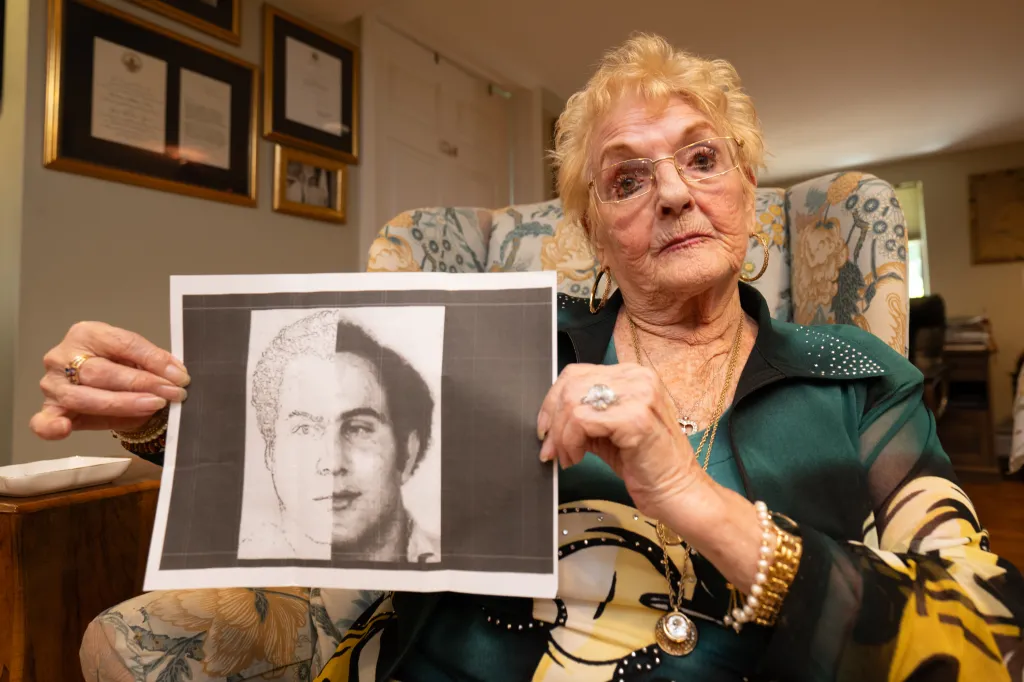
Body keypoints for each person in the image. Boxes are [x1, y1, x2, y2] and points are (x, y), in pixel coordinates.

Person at [32, 33, 1024, 682]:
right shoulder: (510, 346)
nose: (672, 193)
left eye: (701, 157)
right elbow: (335, 460)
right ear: (593, 230)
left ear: (749, 188)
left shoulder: (850, 373)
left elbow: (990, 640)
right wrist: (155, 415)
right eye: (626, 179)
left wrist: (692, 495)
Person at [239, 310, 440, 563]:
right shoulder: (216, 587)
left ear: (407, 453)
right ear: (271, 455)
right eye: (304, 429)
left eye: (358, 429)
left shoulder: (468, 573)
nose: (332, 463)